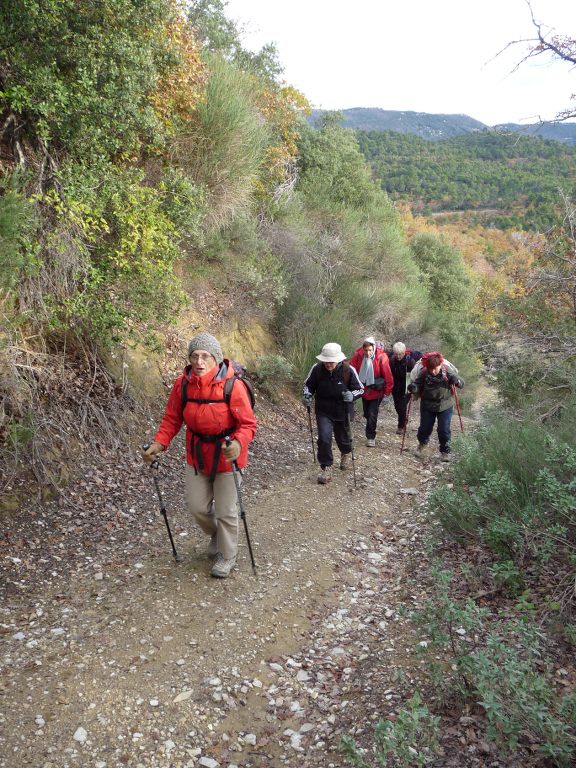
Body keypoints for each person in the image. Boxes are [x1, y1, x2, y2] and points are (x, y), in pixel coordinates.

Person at [143, 332, 257, 578]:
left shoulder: (232, 386)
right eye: (194, 356)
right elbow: (172, 418)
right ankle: (217, 534)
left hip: (228, 457)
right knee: (197, 508)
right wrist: (159, 443)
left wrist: (238, 443)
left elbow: (248, 424)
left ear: (216, 359)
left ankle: (227, 556)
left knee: (227, 510)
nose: (199, 362)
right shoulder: (182, 385)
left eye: (205, 356)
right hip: (197, 456)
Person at [303, 342, 363, 484]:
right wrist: (307, 395)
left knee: (343, 439)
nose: (328, 364)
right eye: (326, 361)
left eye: (331, 361)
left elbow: (360, 388)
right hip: (323, 410)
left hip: (343, 410)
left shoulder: (348, 370)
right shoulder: (317, 369)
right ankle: (326, 467)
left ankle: (345, 453)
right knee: (324, 438)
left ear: (339, 359)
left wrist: (351, 395)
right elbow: (308, 386)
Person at [407, 351, 464, 461]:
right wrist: (413, 387)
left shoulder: (447, 370)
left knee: (444, 430)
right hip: (427, 404)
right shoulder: (424, 372)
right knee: (425, 428)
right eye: (430, 369)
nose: (433, 371)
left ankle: (445, 452)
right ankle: (421, 445)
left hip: (445, 404)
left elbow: (462, 383)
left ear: (440, 365)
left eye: (435, 368)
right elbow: (417, 384)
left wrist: (456, 381)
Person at [349, 336, 393, 447]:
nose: (368, 353)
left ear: (373, 348)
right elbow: (351, 370)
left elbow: (388, 376)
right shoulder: (358, 356)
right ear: (363, 349)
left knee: (372, 414)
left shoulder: (381, 357)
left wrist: (387, 393)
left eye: (370, 350)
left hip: (377, 391)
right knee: (367, 413)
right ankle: (370, 424)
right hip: (363, 390)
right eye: (366, 350)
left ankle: (370, 437)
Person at [387, 342, 422, 435]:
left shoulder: (410, 361)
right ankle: (404, 419)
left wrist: (414, 388)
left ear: (404, 352)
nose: (398, 356)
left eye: (400, 354)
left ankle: (401, 426)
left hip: (407, 386)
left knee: (402, 406)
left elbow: (415, 375)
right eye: (396, 354)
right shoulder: (391, 360)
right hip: (395, 386)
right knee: (397, 406)